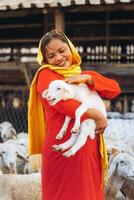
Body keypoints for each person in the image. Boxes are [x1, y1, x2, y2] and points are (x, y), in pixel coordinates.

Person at [28, 30, 121, 200]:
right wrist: (98, 116)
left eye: (62, 50)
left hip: (87, 147)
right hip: (61, 145)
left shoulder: (80, 76)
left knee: (87, 193)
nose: (58, 57)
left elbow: (115, 89)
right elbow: (65, 105)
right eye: (51, 55)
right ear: (45, 60)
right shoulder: (45, 75)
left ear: (71, 48)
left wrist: (88, 78)